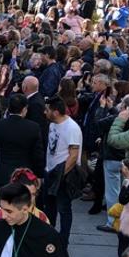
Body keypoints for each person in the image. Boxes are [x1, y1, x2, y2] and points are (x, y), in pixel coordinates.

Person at [42, 96, 82, 243]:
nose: (45, 112)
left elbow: (73, 155)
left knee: (64, 208)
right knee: (49, 206)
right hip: (50, 171)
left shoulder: (71, 128)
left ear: (56, 112)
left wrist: (61, 175)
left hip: (63, 175)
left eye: (47, 110)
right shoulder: (53, 125)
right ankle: (49, 234)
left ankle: (63, 240)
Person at [0, 94, 43, 189]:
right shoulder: (34, 128)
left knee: (2, 202)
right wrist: (39, 175)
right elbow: (38, 154)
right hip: (24, 176)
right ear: (24, 109)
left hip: (2, 174)